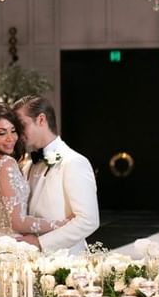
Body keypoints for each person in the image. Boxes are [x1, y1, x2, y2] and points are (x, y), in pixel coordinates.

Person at [0, 101, 72, 245]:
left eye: (13, 131)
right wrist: (61, 225)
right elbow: (17, 223)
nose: (10, 138)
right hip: (13, 244)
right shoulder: (5, 164)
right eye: (1, 133)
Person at [12, 95, 100, 254]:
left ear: (41, 120)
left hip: (67, 261)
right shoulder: (28, 166)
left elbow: (89, 220)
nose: (17, 133)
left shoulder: (74, 162)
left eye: (22, 125)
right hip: (32, 260)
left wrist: (40, 243)